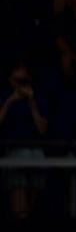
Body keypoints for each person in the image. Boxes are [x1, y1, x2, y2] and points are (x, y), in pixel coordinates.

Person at [0, 60, 48, 220]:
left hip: (36, 151)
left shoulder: (37, 98)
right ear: (10, 80)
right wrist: (9, 101)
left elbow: (42, 128)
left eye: (24, 80)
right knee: (19, 205)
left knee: (33, 205)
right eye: (17, 81)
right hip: (15, 151)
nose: (21, 84)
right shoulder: (5, 98)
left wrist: (32, 103)